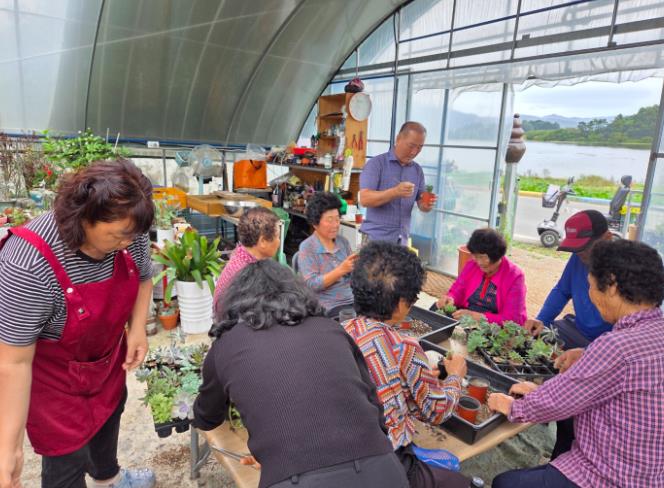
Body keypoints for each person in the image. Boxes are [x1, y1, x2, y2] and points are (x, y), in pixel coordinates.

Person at [0, 159, 156, 488]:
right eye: (119, 236)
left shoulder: (131, 228)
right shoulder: (27, 263)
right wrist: (9, 447)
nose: (129, 243)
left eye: (134, 235)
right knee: (66, 459)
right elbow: (12, 361)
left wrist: (138, 328)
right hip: (55, 382)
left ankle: (108, 478)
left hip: (106, 362)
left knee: (111, 413)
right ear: (84, 217)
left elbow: (144, 278)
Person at [193, 260, 408, 488]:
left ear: (236, 302)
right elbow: (374, 405)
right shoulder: (331, 328)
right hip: (381, 470)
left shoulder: (226, 345)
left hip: (292, 478)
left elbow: (206, 418)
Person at [488, 239, 664, 488]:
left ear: (611, 286)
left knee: (504, 483)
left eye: (591, 286)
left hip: (609, 476)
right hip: (651, 474)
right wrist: (587, 354)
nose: (590, 296)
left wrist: (511, 406)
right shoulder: (654, 332)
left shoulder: (617, 347)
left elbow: (557, 402)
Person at [344, 241, 471, 488]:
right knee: (460, 484)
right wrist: (455, 376)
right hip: (384, 460)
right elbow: (436, 411)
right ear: (402, 302)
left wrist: (414, 378)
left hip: (346, 452)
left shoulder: (341, 330)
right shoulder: (403, 346)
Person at [525, 210, 613, 348]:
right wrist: (541, 320)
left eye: (585, 247)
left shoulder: (623, 268)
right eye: (575, 248)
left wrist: (589, 352)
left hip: (608, 343)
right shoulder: (579, 257)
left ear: (607, 237)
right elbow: (562, 291)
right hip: (577, 330)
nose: (579, 253)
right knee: (534, 339)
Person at [359, 121, 436, 244]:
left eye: (420, 147)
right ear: (398, 139)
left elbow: (421, 203)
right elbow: (365, 199)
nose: (414, 152)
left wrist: (426, 205)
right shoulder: (376, 164)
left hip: (401, 241)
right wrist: (395, 192)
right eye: (411, 145)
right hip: (375, 240)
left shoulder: (417, 170)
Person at [435, 228, 527, 325]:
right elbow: (458, 289)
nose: (479, 262)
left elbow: (512, 319)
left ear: (497, 256)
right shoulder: (472, 264)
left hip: (494, 326)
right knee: (434, 315)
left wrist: (477, 317)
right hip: (466, 315)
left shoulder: (515, 276)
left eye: (483, 257)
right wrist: (451, 298)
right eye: (475, 256)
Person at [297, 192, 356, 317]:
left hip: (352, 301)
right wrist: (340, 270)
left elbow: (353, 277)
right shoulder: (307, 247)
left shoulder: (343, 242)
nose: (335, 225)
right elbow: (312, 284)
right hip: (327, 307)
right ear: (315, 223)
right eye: (329, 220)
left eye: (337, 219)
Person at [213, 206, 280, 308]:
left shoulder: (242, 256)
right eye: (277, 236)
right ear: (262, 241)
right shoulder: (247, 275)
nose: (279, 241)